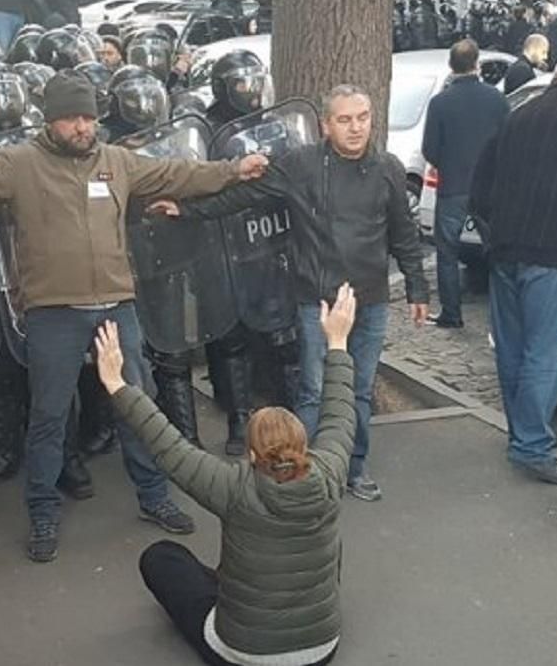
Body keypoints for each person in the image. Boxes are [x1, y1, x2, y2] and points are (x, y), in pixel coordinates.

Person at [0, 72, 269, 563]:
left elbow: (178, 174)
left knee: (138, 409)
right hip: (54, 313)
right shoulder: (17, 164)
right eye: (71, 118)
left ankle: (153, 497)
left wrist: (234, 170)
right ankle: (43, 511)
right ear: (51, 120)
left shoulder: (117, 162)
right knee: (49, 416)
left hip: (115, 307)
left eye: (88, 117)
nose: (83, 127)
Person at [179, 84, 430, 502]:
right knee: (315, 390)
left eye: (363, 117)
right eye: (345, 120)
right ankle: (305, 473)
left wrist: (417, 287)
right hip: (318, 298)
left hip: (369, 299)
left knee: (360, 390)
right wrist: (185, 209)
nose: (356, 128)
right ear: (325, 126)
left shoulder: (387, 167)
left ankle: (354, 467)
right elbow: (241, 197)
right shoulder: (301, 165)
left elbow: (403, 232)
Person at [98, 282, 358, 666]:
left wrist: (118, 384)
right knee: (325, 544)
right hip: (320, 652)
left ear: (252, 453)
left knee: (161, 558)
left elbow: (169, 446)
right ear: (303, 448)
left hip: (241, 655)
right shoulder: (329, 472)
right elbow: (339, 412)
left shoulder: (233, 487)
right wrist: (337, 341)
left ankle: (226, 590)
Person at [469, 52, 557, 486]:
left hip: (506, 249)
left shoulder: (517, 115)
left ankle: (526, 433)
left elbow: (480, 188)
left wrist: (493, 234)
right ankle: (531, 445)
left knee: (512, 350)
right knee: (548, 357)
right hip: (553, 254)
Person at [422, 40, 509, 331]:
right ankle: (502, 313)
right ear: (477, 64)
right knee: (497, 252)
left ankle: (451, 313)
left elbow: (429, 149)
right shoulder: (496, 100)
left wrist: (447, 163)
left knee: (447, 252)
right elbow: (508, 141)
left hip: (454, 185)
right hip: (491, 187)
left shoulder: (440, 103)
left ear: (451, 65)